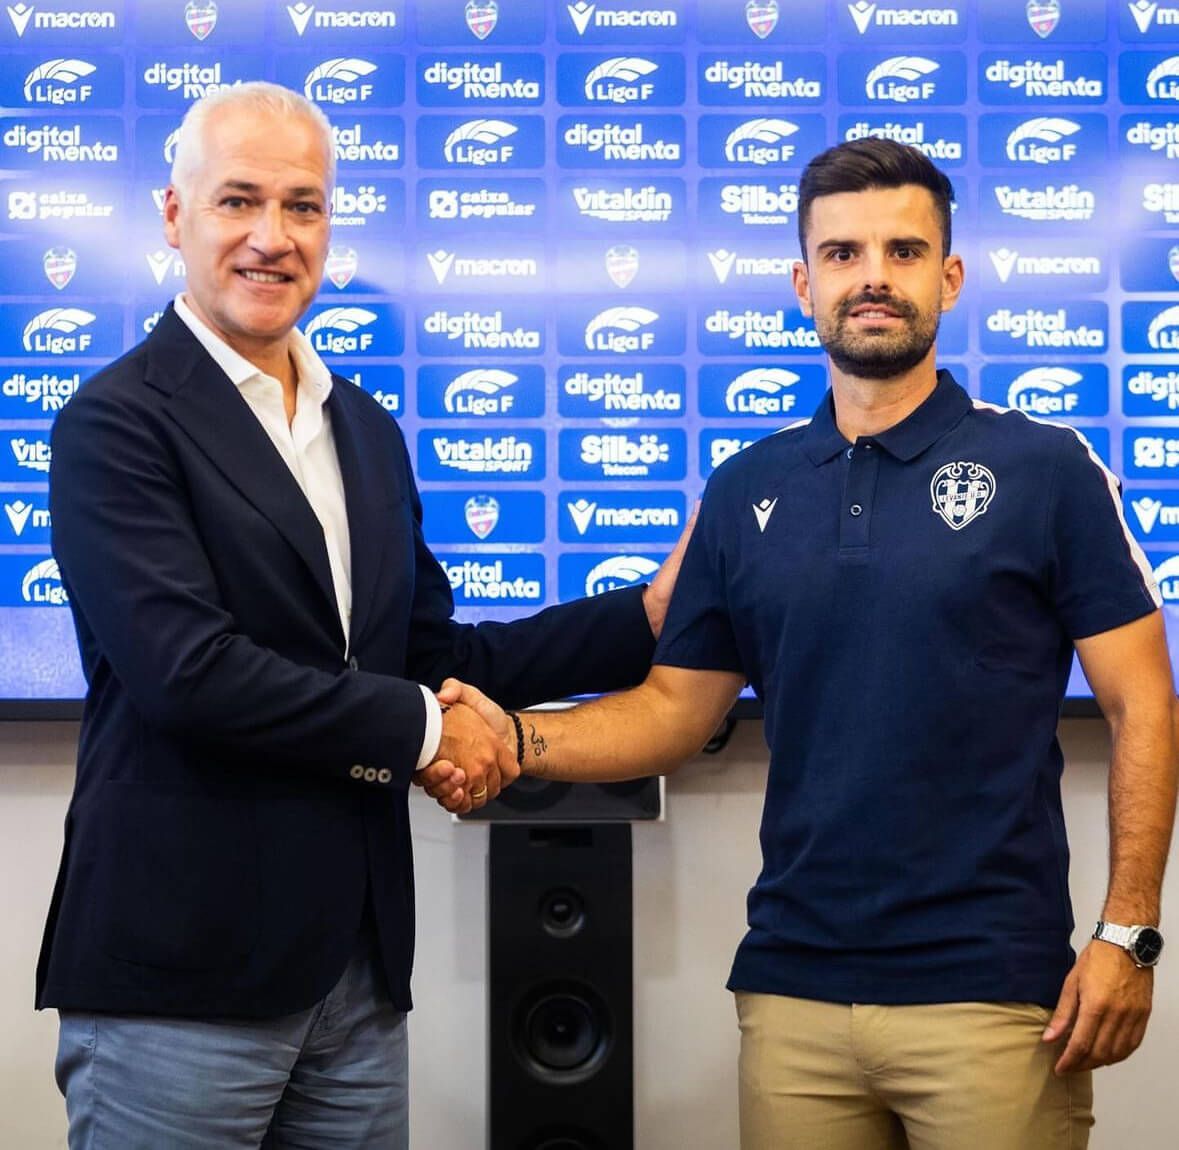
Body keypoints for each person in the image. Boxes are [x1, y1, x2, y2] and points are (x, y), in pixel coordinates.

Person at [423, 138, 1178, 1149]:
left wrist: (1128, 934)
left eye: (905, 252)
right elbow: (674, 710)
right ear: (802, 281)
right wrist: (518, 740)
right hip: (792, 995)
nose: (873, 277)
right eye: (843, 253)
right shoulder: (744, 487)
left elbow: (1142, 704)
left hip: (995, 997)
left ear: (950, 278)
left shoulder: (1046, 469)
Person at [37, 81, 688, 1149]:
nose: (272, 237)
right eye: (238, 201)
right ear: (173, 215)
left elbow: (434, 653)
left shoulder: (364, 430)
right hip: (181, 980)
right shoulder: (116, 422)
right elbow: (188, 673)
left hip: (356, 974)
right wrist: (435, 733)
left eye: (304, 206)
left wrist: (644, 618)